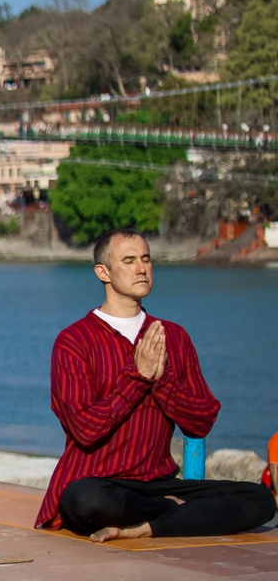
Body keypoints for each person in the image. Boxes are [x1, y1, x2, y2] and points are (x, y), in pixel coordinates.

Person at [36, 229, 276, 541]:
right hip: (98, 481)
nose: (141, 269)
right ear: (103, 272)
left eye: (146, 260)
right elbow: (86, 428)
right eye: (129, 260)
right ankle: (174, 514)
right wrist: (138, 378)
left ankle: (151, 526)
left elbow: (201, 422)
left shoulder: (173, 337)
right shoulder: (74, 341)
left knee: (259, 500)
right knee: (87, 500)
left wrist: (161, 382)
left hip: (159, 482)